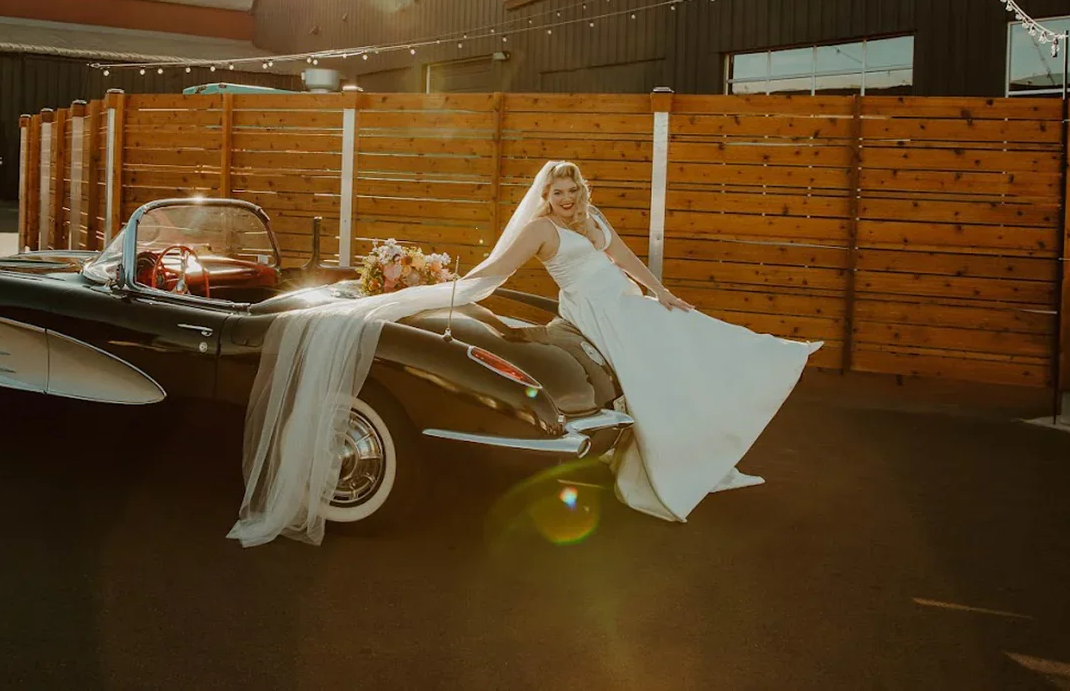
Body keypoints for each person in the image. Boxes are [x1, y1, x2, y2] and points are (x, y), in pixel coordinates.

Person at [228, 160, 821, 547]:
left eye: (571, 190)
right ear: (546, 196)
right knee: (663, 372)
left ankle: (731, 409)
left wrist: (662, 293)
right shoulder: (541, 230)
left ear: (581, 191)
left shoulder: (593, 218)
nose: (565, 199)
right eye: (556, 193)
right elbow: (496, 272)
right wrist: (435, 287)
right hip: (595, 315)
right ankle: (682, 453)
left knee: (692, 342)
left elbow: (625, 260)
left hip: (628, 304)